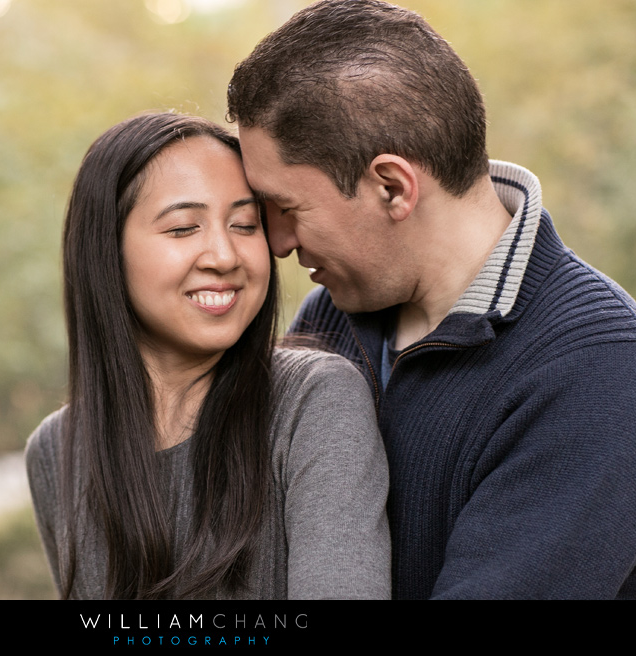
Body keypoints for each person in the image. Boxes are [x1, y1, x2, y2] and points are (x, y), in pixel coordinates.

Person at [227, 0, 636, 599]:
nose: (277, 242)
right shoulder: (333, 317)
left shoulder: (601, 368)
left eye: (287, 209)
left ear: (392, 187)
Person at [24, 112, 390, 600]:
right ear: (105, 252)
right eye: (182, 229)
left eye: (245, 224)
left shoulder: (314, 400)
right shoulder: (56, 450)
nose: (224, 255)